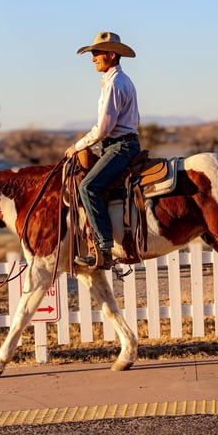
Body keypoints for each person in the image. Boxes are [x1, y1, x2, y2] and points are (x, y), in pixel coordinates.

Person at [65, 31, 141, 269]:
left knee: (88, 187)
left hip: (121, 146)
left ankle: (103, 248)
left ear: (112, 55)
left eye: (97, 53)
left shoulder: (115, 84)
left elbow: (104, 128)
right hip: (119, 144)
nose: (93, 58)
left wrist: (77, 146)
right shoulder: (117, 81)